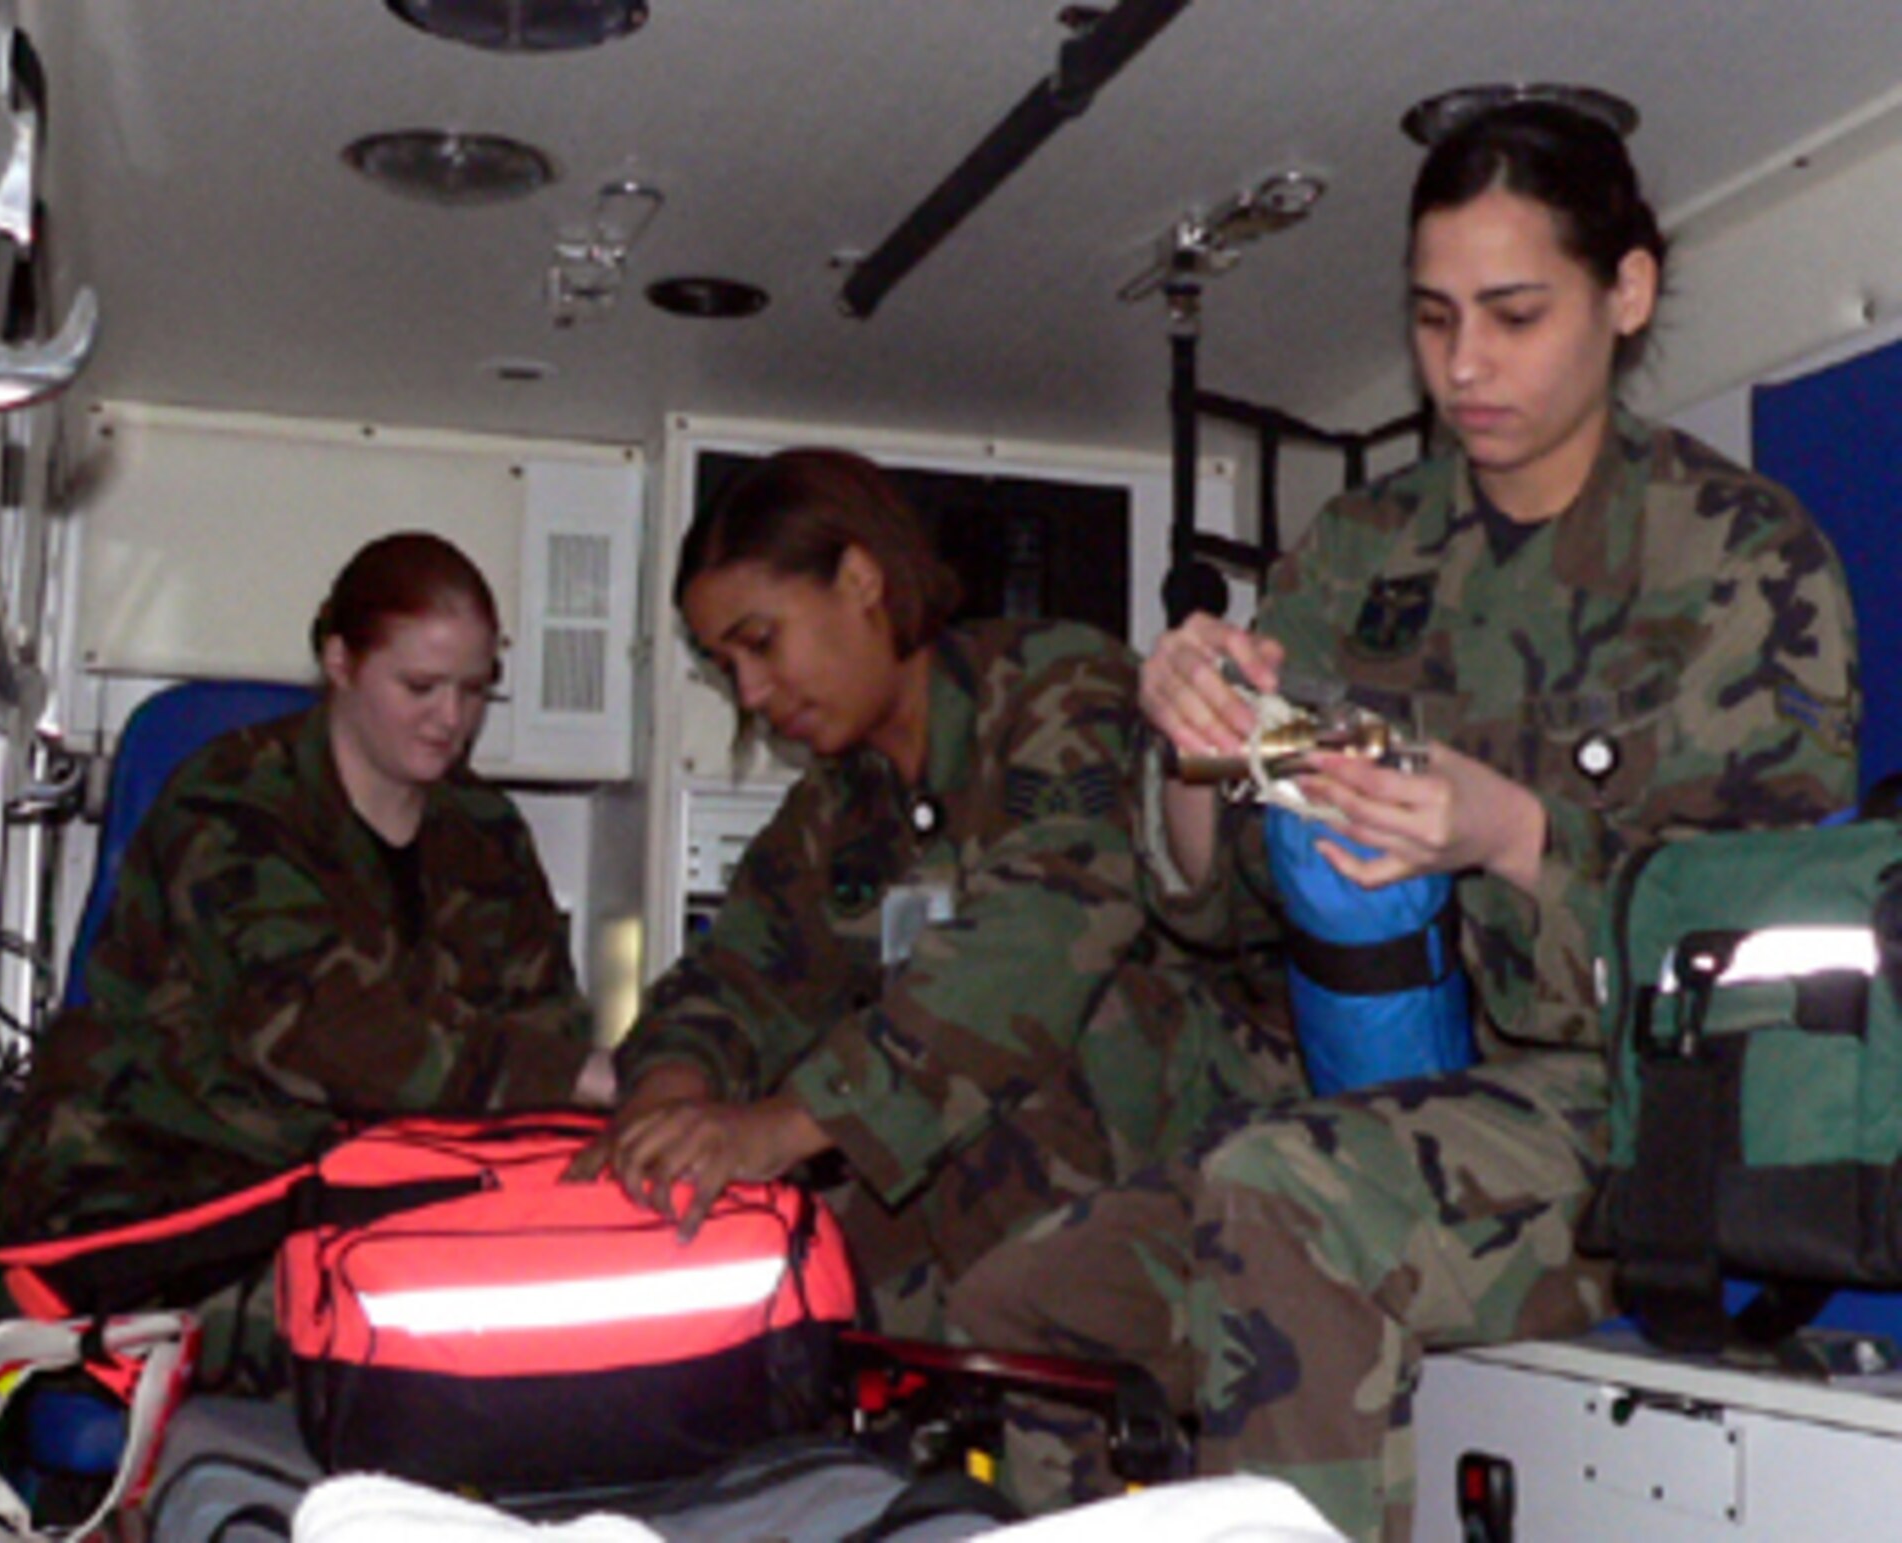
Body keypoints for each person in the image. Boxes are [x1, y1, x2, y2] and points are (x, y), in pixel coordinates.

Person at [947, 95, 1861, 1540]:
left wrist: (1511, 837)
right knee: (1022, 1298)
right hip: (1344, 1079)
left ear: (1625, 294)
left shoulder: (1741, 562)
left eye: (1513, 313)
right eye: (1433, 318)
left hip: (1619, 1121)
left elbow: (1768, 957)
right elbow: (1219, 905)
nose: (1463, 366)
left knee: (1283, 1202)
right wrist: (1199, 751)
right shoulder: (1363, 548)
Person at [587, 448, 1302, 1329]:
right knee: (795, 1244)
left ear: (859, 578)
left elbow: (1038, 941)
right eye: (723, 665)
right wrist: (670, 1096)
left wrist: (786, 1123)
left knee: (1019, 1055)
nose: (753, 691)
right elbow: (735, 973)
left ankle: (1055, 1433)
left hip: (1209, 1128)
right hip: (1031, 1175)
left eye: (761, 642)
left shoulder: (1057, 685)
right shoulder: (835, 809)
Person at [0, 532, 607, 1364]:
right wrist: (575, 1074)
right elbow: (310, 1030)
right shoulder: (231, 801)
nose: (451, 719)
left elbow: (546, 1033)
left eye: (474, 690)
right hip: (175, 1206)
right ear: (340, 660)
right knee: (398, 1336)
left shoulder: (487, 835)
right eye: (421, 686)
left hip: (368, 1214)